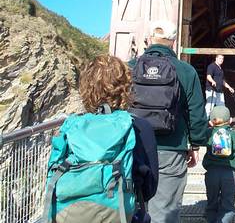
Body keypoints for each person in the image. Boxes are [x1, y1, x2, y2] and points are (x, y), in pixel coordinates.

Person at [46, 55, 158, 222]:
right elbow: (149, 188)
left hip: (68, 213)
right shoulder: (139, 127)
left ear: (84, 88)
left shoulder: (72, 126)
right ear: (126, 88)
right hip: (119, 214)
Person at [130, 20, 208, 223]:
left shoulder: (130, 67)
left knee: (131, 206)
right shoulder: (186, 71)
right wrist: (196, 143)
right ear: (173, 42)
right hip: (171, 149)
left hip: (133, 146)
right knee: (165, 211)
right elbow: (196, 112)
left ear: (148, 39)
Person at [203, 106, 235, 223]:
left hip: (211, 174)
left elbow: (196, 138)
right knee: (227, 206)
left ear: (210, 122)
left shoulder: (208, 133)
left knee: (211, 203)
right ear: (230, 120)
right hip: (229, 175)